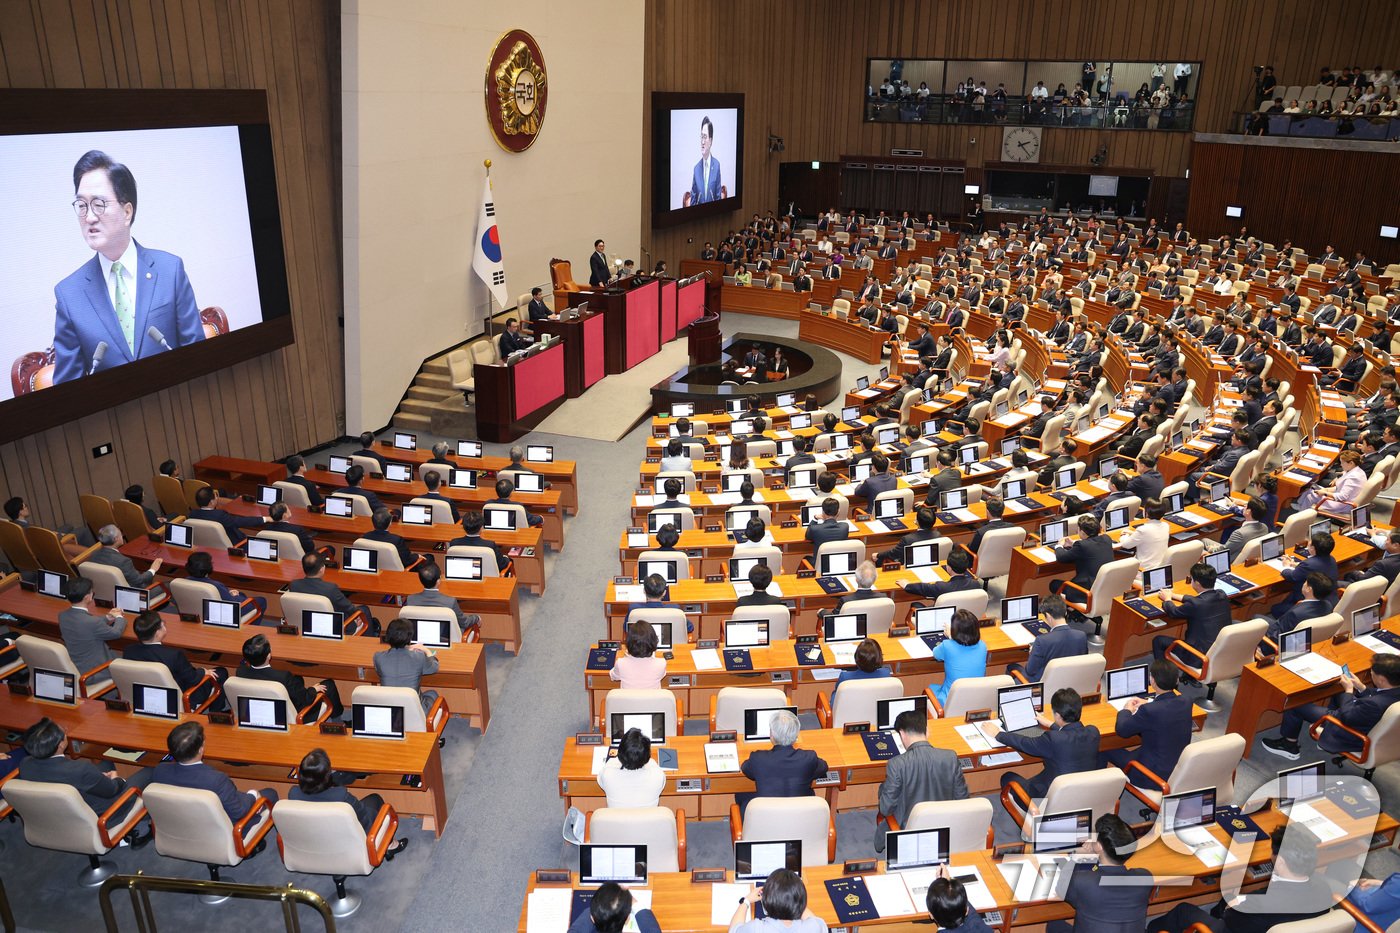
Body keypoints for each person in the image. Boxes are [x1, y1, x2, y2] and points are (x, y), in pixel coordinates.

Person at [52, 150, 204, 383]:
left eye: (99, 204)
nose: (89, 217)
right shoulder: (69, 296)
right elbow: (67, 390)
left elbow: (199, 358)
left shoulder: (170, 270)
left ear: (126, 212)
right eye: (82, 205)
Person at [1152, 825, 1331, 933]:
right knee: (1228, 899)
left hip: (1237, 927)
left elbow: (1232, 920)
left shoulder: (1260, 905)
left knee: (1184, 910)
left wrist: (1232, 907)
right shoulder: (1324, 889)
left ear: (1281, 861)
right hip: (1274, 921)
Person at [19, 718, 152, 843]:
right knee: (151, 770)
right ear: (60, 745)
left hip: (61, 816)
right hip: (104, 814)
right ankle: (142, 828)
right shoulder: (80, 770)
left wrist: (96, 777)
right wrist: (117, 778)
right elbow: (112, 790)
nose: (66, 732)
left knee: (105, 762)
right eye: (64, 732)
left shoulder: (25, 764)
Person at [1264, 653, 1400, 760]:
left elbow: (1347, 716)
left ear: (1382, 680)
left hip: (1349, 729)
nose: (1371, 673)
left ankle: (1289, 745)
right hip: (1363, 718)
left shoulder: (1374, 705)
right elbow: (1378, 695)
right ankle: (1323, 726)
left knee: (1295, 704)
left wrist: (1349, 691)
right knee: (1338, 691)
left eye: (1372, 673)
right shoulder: (1393, 691)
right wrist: (1361, 687)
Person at [875, 709, 968, 851]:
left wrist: (882, 789)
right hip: (944, 829)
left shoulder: (897, 764)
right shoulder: (950, 757)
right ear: (927, 731)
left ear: (902, 734)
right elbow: (963, 799)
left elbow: (885, 808)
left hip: (909, 831)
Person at [1046, 814, 1152, 933]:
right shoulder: (1145, 877)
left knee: (1054, 924)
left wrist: (1075, 858)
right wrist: (1097, 855)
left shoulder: (1083, 882)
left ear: (1098, 846)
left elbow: (1061, 889)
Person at [151, 721, 277, 819]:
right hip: (225, 830)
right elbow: (238, 812)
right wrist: (253, 795)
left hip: (180, 825)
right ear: (201, 750)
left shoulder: (160, 771)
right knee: (270, 794)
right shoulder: (217, 780)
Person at [290, 748, 406, 850]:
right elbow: (365, 819)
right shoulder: (341, 797)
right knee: (375, 799)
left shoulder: (293, 794)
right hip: (348, 839)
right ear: (327, 776)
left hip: (315, 840)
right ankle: (390, 846)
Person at [1101, 660, 1193, 788]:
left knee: (1102, 747)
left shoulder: (1149, 711)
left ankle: (1103, 790)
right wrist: (1150, 703)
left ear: (1152, 681)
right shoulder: (1186, 701)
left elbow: (1122, 730)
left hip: (1151, 776)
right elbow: (1166, 709)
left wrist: (1126, 710)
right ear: (1177, 680)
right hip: (1177, 770)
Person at [996, 688, 1100, 798]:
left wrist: (998, 734)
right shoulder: (1093, 732)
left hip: (1046, 800)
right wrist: (1052, 724)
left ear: (1058, 715)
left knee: (1007, 777)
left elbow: (1025, 743)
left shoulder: (1053, 739)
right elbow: (1071, 733)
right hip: (1081, 795)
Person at [124, 610, 228, 711]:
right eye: (162, 624)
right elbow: (193, 678)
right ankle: (216, 712)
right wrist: (203, 671)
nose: (164, 624)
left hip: (145, 696)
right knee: (221, 672)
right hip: (182, 697)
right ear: (157, 633)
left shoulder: (128, 651)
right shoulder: (174, 655)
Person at [737, 709, 828, 816]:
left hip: (768, 819)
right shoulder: (809, 758)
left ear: (771, 734)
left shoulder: (757, 758)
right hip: (800, 818)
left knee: (741, 795)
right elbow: (823, 767)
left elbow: (745, 768)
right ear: (796, 735)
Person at [238, 632, 344, 719]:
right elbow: (306, 699)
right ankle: (337, 719)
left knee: (297, 679)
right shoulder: (283, 677)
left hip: (260, 709)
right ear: (269, 656)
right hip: (296, 715)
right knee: (329, 685)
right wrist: (313, 689)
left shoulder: (240, 671)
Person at [1155, 561, 1232, 661]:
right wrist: (1173, 595)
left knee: (1158, 641)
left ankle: (1162, 671)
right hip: (1219, 651)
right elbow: (1197, 599)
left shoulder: (1195, 605)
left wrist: (1167, 599)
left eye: (1191, 579)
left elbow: (1173, 612)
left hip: (1198, 656)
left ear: (1197, 583)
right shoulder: (1221, 594)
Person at [288, 552, 377, 635]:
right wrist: (357, 616)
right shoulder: (330, 588)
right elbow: (349, 608)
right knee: (364, 610)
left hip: (306, 626)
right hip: (335, 628)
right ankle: (368, 643)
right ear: (322, 569)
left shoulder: (294, 585)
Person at [58, 576, 126, 679]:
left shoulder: (62, 616)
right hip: (95, 672)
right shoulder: (92, 622)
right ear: (87, 597)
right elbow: (116, 633)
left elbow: (85, 624)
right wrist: (120, 617)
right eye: (91, 592)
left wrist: (108, 617)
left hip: (76, 667)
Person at [1008, 593, 1087, 681]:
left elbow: (1030, 671)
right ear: (1065, 612)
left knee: (1011, 667)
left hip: (1042, 683)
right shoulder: (1081, 636)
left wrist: (1032, 652)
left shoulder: (1042, 641)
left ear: (1048, 616)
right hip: (1069, 680)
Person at [727, 868, 827, 932]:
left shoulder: (756, 928)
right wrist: (795, 899)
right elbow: (820, 924)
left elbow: (734, 930)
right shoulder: (814, 927)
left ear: (767, 901)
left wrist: (746, 901)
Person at [374, 618, 440, 711]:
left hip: (390, 710)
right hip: (414, 711)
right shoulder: (419, 657)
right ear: (410, 638)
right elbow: (434, 667)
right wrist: (426, 650)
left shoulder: (378, 657)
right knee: (432, 694)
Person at [1269, 531, 1338, 618]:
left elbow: (1292, 576)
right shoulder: (1332, 559)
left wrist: (1285, 567)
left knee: (1275, 609)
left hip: (1311, 603)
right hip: (1329, 600)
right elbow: (1313, 567)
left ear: (1313, 548)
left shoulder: (1309, 564)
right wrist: (1295, 564)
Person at [404, 561, 481, 638]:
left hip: (420, 639)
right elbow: (464, 623)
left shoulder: (410, 599)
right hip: (445, 639)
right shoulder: (450, 602)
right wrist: (476, 618)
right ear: (438, 581)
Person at [598, 728, 665, 809]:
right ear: (646, 757)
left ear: (620, 753)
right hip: (649, 817)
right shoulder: (658, 775)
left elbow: (601, 782)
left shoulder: (607, 773)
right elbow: (651, 763)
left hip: (617, 817)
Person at [930, 609, 987, 705]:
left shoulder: (947, 646)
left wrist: (951, 637)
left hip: (950, 701)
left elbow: (936, 654)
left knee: (931, 688)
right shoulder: (982, 646)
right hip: (976, 700)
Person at [1050, 514, 1114, 595]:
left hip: (1086, 590)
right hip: (1106, 587)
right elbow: (1091, 546)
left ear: (1082, 532)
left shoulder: (1081, 546)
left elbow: (1061, 558)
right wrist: (1073, 544)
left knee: (1053, 584)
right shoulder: (1106, 538)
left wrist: (1059, 546)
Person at [85, 523, 161, 587]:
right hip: (135, 594)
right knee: (165, 585)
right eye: (120, 534)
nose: (122, 536)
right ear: (116, 539)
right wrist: (153, 569)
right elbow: (138, 581)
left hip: (106, 591)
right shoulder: (123, 561)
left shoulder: (94, 555)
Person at [189, 485, 268, 544]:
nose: (217, 497)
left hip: (209, 545)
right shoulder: (220, 515)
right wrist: (264, 519)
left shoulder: (192, 514)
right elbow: (241, 521)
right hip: (235, 544)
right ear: (211, 502)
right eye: (215, 495)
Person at [902, 546, 980, 601]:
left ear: (949, 568)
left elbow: (923, 587)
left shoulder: (941, 587)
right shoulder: (976, 584)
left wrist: (907, 585)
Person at [1117, 498, 1171, 573]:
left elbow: (1126, 545)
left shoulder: (1143, 530)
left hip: (1144, 570)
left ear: (1146, 513)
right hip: (1160, 567)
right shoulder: (1166, 525)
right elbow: (1150, 536)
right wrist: (1133, 533)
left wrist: (1124, 536)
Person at [610, 620, 667, 690]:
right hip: (652, 698)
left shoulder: (620, 663)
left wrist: (626, 657)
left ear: (628, 642)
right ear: (654, 641)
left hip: (628, 698)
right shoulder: (661, 663)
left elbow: (613, 676)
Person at [926, 874, 993, 933]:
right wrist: (950, 888)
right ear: (967, 911)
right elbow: (973, 916)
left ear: (931, 915)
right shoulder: (985, 929)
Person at [687, 115, 723, 205]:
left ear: (710, 141)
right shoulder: (696, 169)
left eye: (705, 137)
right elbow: (693, 201)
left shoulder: (716, 165)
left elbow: (718, 198)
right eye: (702, 137)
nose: (702, 142)